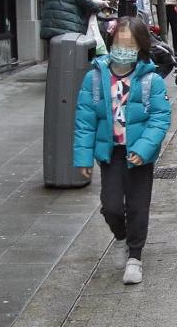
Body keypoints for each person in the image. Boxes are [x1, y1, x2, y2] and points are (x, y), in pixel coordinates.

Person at [73, 16, 171, 285]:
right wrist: (83, 158)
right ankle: (121, 237)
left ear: (140, 47)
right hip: (111, 154)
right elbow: (85, 121)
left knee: (139, 206)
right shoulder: (94, 79)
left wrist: (144, 148)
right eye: (119, 43)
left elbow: (160, 119)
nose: (124, 49)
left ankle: (135, 256)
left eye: (130, 44)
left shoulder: (152, 80)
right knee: (111, 206)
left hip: (139, 155)